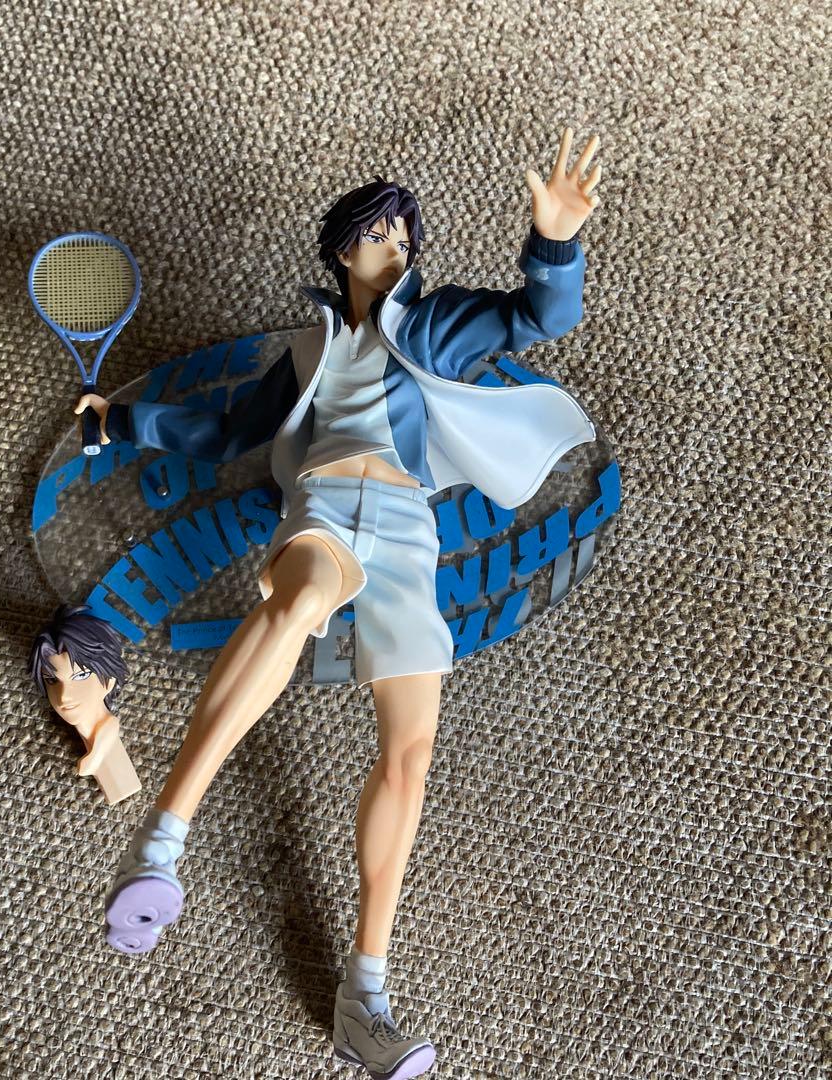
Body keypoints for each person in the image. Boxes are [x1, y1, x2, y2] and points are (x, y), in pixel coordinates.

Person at [77, 127, 603, 1079]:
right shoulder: (309, 348)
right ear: (341, 250)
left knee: (411, 754)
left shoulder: (435, 321)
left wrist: (555, 239)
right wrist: (121, 420)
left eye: (404, 234)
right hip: (323, 508)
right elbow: (227, 431)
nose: (394, 246)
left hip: (406, 528)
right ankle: (159, 844)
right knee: (295, 606)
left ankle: (366, 996)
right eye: (376, 233)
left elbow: (539, 316)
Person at [29, 604, 139, 804]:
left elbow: (111, 726)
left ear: (109, 680)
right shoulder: (90, 730)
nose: (64, 696)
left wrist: (95, 756)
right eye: (52, 680)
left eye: (80, 676)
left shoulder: (107, 728)